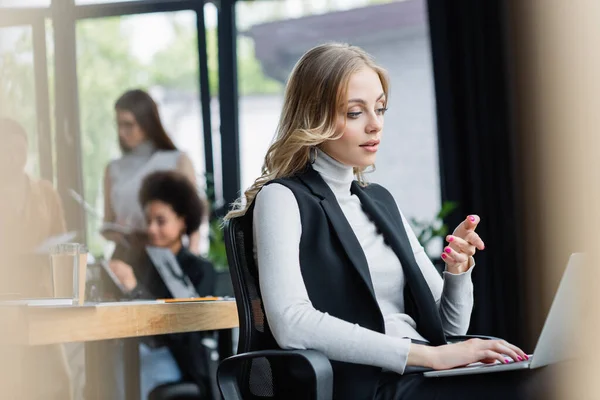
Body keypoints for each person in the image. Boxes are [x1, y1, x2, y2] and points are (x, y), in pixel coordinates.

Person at [225, 43, 547, 400]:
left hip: (417, 372)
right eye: (354, 113)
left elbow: (449, 328)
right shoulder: (283, 198)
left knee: (549, 377)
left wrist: (458, 273)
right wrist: (429, 356)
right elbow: (291, 323)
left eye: (380, 109)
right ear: (313, 117)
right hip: (367, 384)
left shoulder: (379, 200)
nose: (375, 124)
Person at [109, 170, 215, 399]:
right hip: (137, 350)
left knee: (131, 366)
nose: (151, 230)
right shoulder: (142, 261)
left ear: (182, 221)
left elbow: (181, 331)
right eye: (148, 221)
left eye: (161, 221)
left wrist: (133, 287)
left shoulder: (200, 270)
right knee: (109, 360)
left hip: (178, 358)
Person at [0, 118, 73, 400]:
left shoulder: (44, 191)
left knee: (59, 378)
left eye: (20, 149)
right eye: (7, 150)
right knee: (15, 380)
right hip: (7, 297)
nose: (14, 157)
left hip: (42, 296)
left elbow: (61, 237)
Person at [103, 89, 206, 264]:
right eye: (118, 124)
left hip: (166, 259)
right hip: (127, 258)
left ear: (146, 123)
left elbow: (194, 216)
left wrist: (192, 255)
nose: (121, 132)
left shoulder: (177, 161)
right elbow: (108, 221)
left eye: (128, 124)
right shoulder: (113, 169)